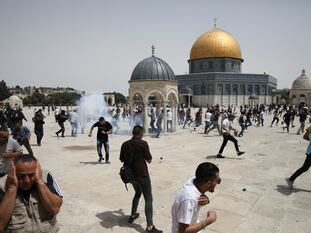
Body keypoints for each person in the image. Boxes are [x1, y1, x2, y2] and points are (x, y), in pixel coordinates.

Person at [0, 155, 63, 232]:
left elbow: (55, 209)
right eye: (21, 176)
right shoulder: (1, 184)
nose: (27, 181)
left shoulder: (45, 176)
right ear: (13, 171)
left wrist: (39, 181)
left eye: (31, 175)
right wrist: (12, 188)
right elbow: (1, 225)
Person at [119, 125, 162, 233]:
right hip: (142, 174)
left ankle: (133, 214)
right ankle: (150, 226)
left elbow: (121, 159)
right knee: (148, 199)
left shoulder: (125, 144)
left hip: (131, 176)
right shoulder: (143, 144)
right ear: (141, 133)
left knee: (138, 193)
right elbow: (149, 160)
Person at [171, 162, 219, 233]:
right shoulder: (189, 199)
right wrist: (209, 220)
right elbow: (183, 231)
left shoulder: (195, 180)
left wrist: (207, 199)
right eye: (217, 180)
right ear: (208, 183)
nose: (218, 183)